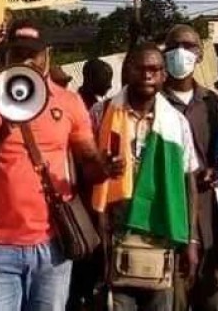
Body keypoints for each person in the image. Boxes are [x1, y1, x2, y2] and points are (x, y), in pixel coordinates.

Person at [0, 19, 123, 311]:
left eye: (32, 54)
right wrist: (5, 128)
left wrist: (105, 168)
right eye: (17, 53)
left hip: (53, 243)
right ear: (5, 55)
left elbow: (88, 164)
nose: (25, 61)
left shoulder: (69, 102)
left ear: (47, 55)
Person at [92, 43, 200, 311]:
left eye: (155, 69)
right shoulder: (101, 113)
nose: (148, 75)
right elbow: (83, 169)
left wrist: (191, 240)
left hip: (160, 235)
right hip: (113, 234)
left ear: (164, 75)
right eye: (140, 68)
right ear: (127, 71)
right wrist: (100, 168)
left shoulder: (176, 122)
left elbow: (188, 182)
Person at [162, 25, 218, 311]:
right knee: (174, 295)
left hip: (207, 212)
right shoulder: (155, 102)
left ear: (200, 54)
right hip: (170, 213)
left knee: (209, 294)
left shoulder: (211, 101)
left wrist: (214, 170)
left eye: (188, 46)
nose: (180, 53)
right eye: (174, 46)